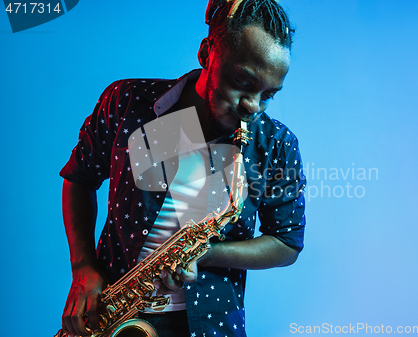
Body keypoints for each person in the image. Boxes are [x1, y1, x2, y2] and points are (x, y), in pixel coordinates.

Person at [58, 0, 306, 336]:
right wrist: (82, 267)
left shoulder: (275, 143)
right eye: (243, 82)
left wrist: (206, 253)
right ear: (207, 54)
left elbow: (286, 242)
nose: (252, 107)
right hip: (109, 314)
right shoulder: (129, 102)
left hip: (208, 324)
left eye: (267, 96)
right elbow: (79, 177)